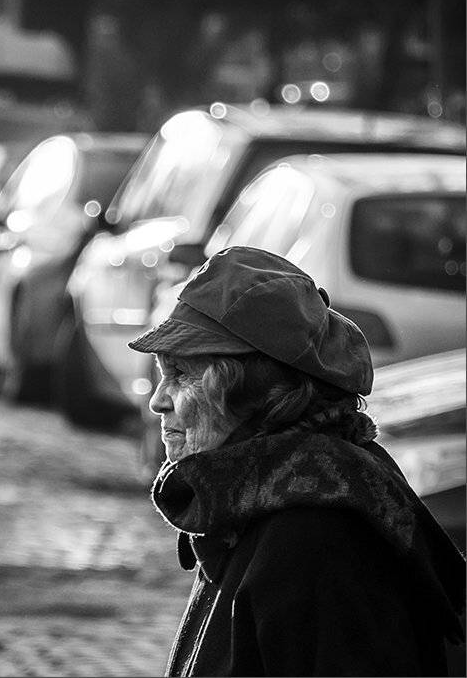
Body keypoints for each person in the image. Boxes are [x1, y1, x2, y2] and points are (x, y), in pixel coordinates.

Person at [130, 246, 466, 676]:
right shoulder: (252, 504)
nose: (159, 401)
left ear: (251, 392)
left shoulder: (314, 542)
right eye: (161, 374)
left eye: (180, 375)